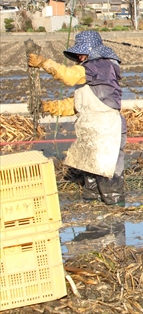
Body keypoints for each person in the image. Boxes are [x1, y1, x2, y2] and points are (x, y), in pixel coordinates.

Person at [27, 30, 127, 205]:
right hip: (92, 126)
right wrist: (49, 107)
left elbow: (68, 76)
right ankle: (94, 203)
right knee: (90, 168)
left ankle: (114, 211)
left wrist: (44, 63)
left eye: (82, 52)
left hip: (106, 126)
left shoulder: (101, 66)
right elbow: (77, 105)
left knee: (106, 168)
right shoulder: (91, 75)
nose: (80, 57)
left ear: (93, 51)